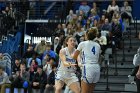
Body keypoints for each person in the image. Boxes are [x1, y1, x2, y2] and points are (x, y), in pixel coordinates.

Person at [73, 27, 101, 93]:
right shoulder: (98, 45)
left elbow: (74, 57)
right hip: (96, 68)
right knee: (90, 91)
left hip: (88, 67)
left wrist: (79, 61)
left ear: (87, 35)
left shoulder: (82, 43)